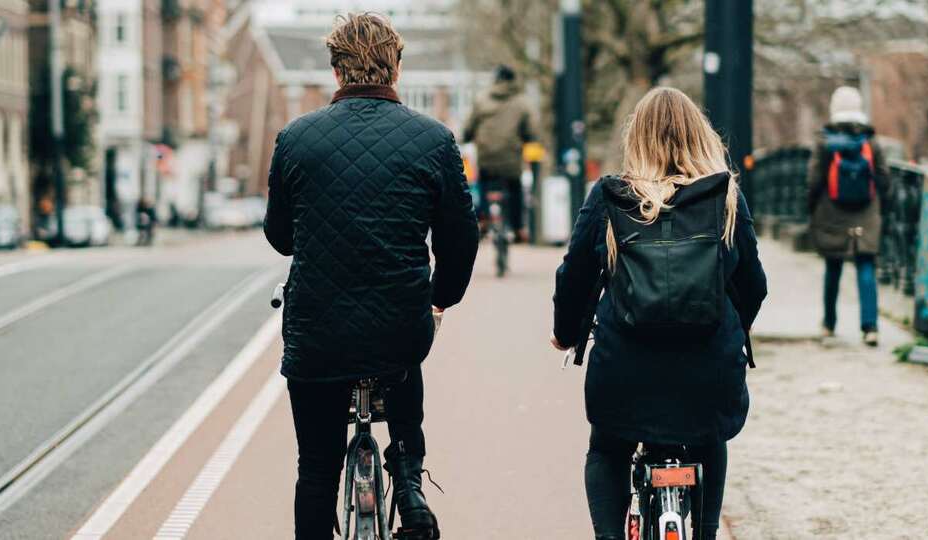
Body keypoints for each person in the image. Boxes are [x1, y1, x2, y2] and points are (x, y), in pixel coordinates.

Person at [263, 12, 479, 539]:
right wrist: (439, 300)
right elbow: (461, 240)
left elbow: (280, 236)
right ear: (396, 69)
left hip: (317, 333)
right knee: (402, 351)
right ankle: (408, 483)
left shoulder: (296, 139)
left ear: (336, 72)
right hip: (399, 325)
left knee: (315, 469)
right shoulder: (434, 140)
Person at [551, 87, 767, 540]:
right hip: (708, 373)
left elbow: (574, 280)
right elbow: (754, 287)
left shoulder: (611, 197)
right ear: (700, 136)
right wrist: (733, 326)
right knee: (710, 439)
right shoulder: (726, 200)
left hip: (625, 373)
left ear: (637, 138)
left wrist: (565, 333)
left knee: (607, 451)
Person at [806, 86, 889, 347]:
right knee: (866, 266)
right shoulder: (870, 140)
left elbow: (814, 178)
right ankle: (870, 327)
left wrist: (810, 207)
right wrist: (883, 205)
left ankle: (829, 324)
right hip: (866, 211)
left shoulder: (824, 141)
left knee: (833, 266)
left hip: (832, 211)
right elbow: (884, 177)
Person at [462, 64, 537, 242]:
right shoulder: (522, 102)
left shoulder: (481, 99)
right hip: (511, 160)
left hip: (487, 158)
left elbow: (468, 128)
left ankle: (484, 219)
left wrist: (466, 137)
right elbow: (532, 131)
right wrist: (528, 140)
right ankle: (518, 228)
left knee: (482, 183)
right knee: (515, 188)